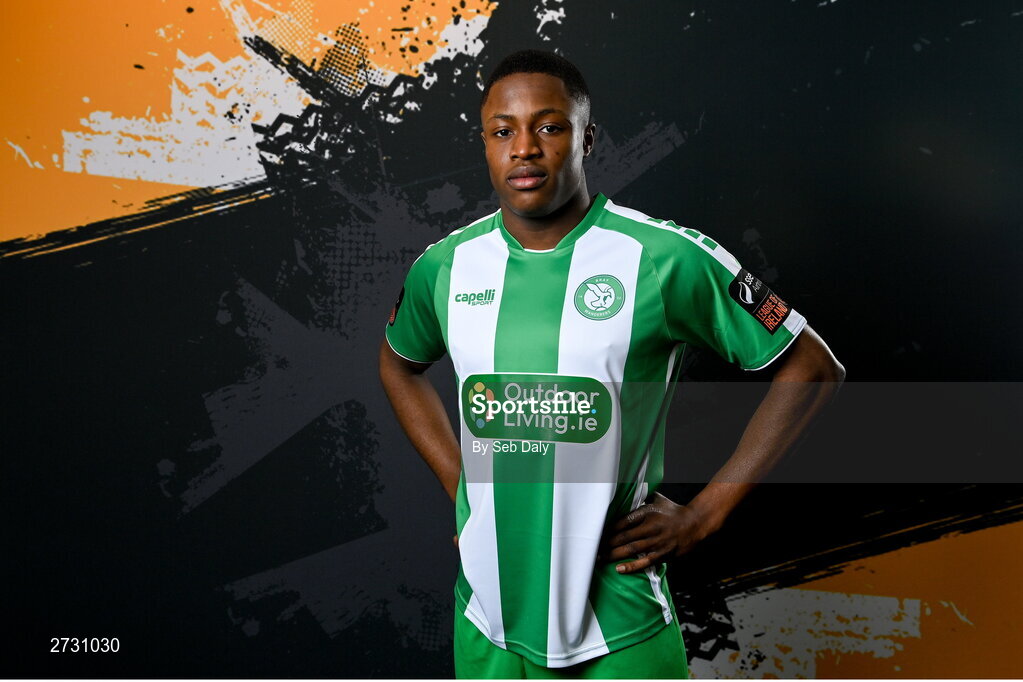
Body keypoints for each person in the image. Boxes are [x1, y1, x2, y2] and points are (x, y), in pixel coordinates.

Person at [379, 49, 844, 679]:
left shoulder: (661, 258)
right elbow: (398, 366)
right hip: (487, 621)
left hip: (618, 626)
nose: (524, 148)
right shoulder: (445, 266)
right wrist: (461, 485)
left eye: (549, 126)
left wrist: (706, 514)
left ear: (587, 139)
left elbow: (813, 367)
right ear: (485, 144)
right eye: (502, 131)